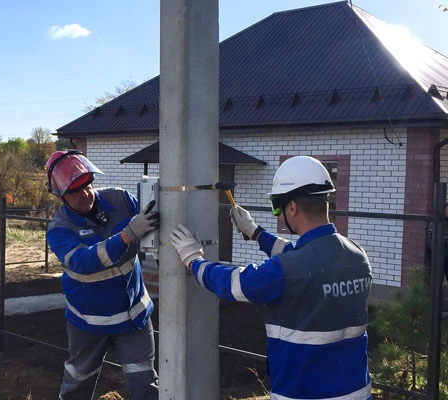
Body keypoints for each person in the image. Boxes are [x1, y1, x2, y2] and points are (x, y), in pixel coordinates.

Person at [170, 156, 373, 399]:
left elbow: (237, 283)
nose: (278, 215)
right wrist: (256, 233)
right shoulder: (356, 255)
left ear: (292, 207)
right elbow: (302, 258)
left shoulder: (287, 271)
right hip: (357, 392)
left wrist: (194, 260)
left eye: (277, 208)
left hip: (303, 394)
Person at [45, 149, 160, 400]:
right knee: (78, 386)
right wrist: (127, 235)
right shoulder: (60, 230)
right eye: (74, 190)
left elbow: (152, 225)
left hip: (134, 318)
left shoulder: (120, 200)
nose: (84, 194)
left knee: (145, 385)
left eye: (86, 185)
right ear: (60, 196)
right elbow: (84, 262)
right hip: (89, 324)